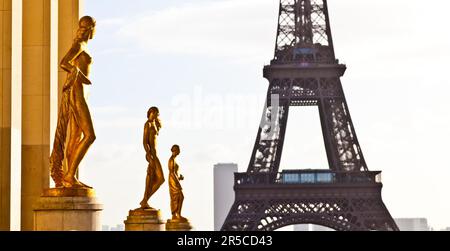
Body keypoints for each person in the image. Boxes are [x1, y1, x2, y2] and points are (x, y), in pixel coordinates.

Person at [49, 16, 97, 189]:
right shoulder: (79, 45)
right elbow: (64, 63)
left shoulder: (83, 45)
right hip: (76, 92)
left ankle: (71, 176)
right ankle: (70, 175)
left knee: (75, 136)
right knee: (90, 135)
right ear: (91, 28)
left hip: (80, 92)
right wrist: (79, 74)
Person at [140, 107, 165, 209]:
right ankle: (145, 200)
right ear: (151, 113)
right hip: (151, 154)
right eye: (156, 113)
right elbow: (145, 142)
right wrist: (148, 154)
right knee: (153, 178)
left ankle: (145, 200)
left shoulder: (154, 123)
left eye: (157, 114)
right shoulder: (148, 124)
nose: (157, 115)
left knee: (160, 179)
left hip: (155, 154)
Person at [168, 145, 187, 222]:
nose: (179, 151)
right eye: (178, 150)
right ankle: (176, 214)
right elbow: (172, 173)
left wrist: (179, 178)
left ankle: (178, 214)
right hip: (173, 181)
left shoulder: (174, 160)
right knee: (177, 197)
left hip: (174, 180)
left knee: (179, 197)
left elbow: (175, 173)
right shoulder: (171, 160)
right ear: (175, 150)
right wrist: (178, 182)